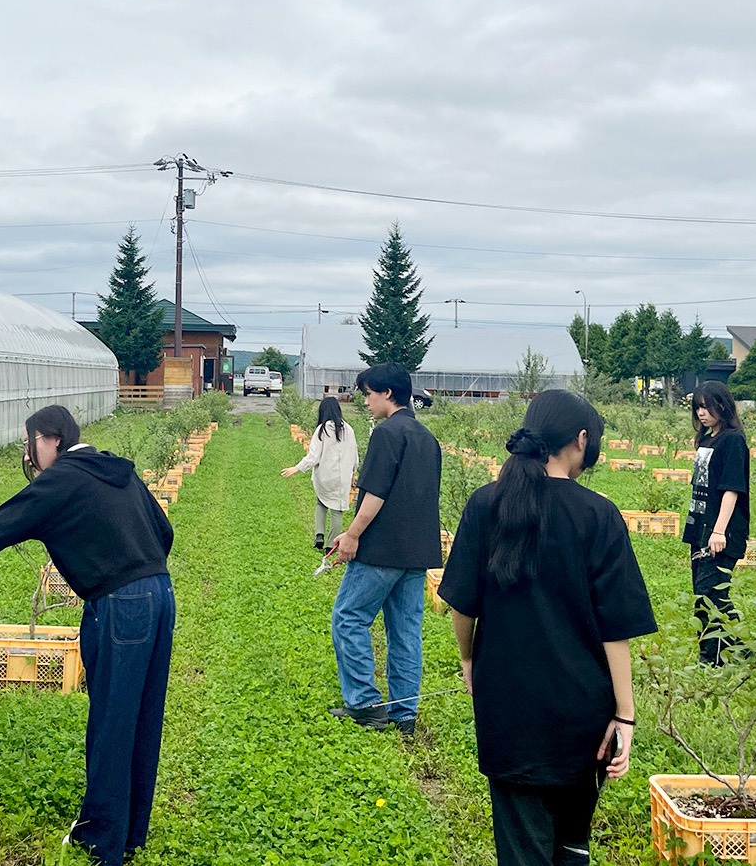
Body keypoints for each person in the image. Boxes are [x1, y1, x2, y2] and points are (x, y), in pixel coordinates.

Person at [0, 405, 174, 866]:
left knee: (111, 721)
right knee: (142, 716)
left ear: (50, 438)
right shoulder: (117, 468)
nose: (30, 454)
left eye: (30, 444)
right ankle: (129, 832)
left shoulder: (60, 481)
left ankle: (101, 840)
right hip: (160, 595)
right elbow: (163, 531)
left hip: (122, 605)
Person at [440, 390, 656, 866]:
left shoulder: (485, 504)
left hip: (509, 706)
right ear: (581, 440)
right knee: (572, 844)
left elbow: (461, 606)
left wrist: (469, 659)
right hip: (583, 712)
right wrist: (625, 715)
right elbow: (613, 626)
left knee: (522, 846)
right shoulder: (598, 514)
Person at [327, 362, 442, 735]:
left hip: (382, 549)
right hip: (417, 551)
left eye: (368, 394)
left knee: (349, 617)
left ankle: (363, 703)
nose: (365, 402)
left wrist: (353, 534)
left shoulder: (387, 433)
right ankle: (403, 711)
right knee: (406, 631)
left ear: (387, 394)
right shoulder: (427, 438)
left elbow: (374, 492)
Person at [681, 380, 750, 665]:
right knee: (704, 596)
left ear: (723, 406)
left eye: (707, 406)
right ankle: (725, 656)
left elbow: (732, 488)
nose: (702, 412)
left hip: (721, 533)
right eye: (698, 407)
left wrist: (719, 530)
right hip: (701, 529)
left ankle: (720, 658)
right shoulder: (708, 438)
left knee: (713, 595)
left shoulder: (732, 440)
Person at [281, 396, 360, 550]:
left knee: (321, 503)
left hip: (325, 475)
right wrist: (353, 473)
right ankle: (331, 546)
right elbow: (354, 455)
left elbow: (313, 456)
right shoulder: (349, 430)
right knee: (337, 511)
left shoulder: (322, 429)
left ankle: (319, 534)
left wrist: (297, 468)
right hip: (342, 477)